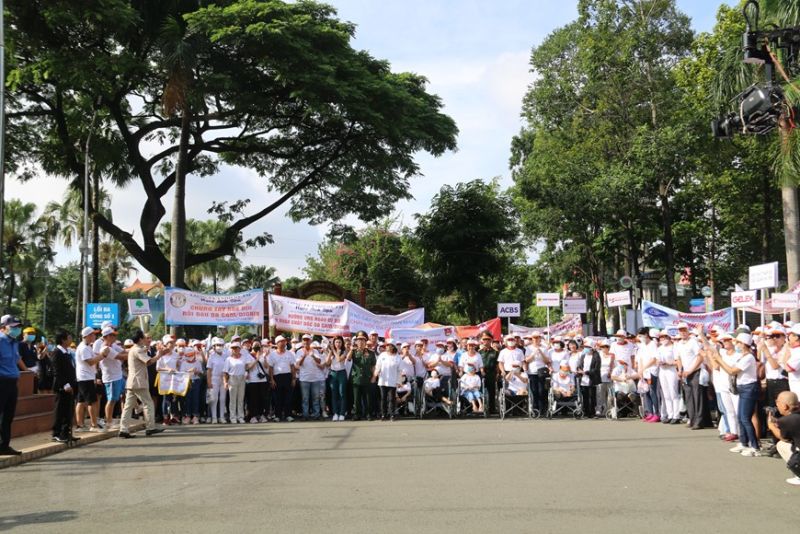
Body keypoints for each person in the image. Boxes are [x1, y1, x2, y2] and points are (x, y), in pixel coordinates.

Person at [711, 333, 761, 456]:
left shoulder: (749, 357)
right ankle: (743, 443)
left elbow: (731, 371)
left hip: (749, 388)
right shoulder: (742, 356)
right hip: (742, 388)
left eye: (738, 342)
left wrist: (719, 359)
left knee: (745, 418)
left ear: (744, 344)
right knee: (740, 417)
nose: (736, 345)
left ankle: (754, 446)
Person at [118, 330, 164, 439]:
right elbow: (148, 362)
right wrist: (159, 355)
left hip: (133, 381)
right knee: (148, 403)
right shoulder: (138, 350)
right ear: (139, 339)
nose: (145, 339)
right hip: (138, 382)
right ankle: (150, 427)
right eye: (144, 337)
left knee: (128, 407)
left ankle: (123, 429)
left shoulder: (136, 349)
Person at [0, 316, 27, 455]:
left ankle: (4, 445)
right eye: (13, 327)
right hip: (1, 381)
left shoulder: (14, 342)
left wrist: (26, 370)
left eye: (18, 327)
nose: (16, 329)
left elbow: (16, 359)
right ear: (3, 327)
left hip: (12, 382)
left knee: (8, 416)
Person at [766, 391, 800, 486]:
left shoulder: (786, 420)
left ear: (785, 406)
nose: (777, 405)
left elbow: (784, 438)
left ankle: (798, 473)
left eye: (778, 403)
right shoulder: (791, 418)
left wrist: (771, 426)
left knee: (781, 445)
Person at [675, 323, 705, 429]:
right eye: (680, 330)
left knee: (697, 396)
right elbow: (678, 358)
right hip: (685, 373)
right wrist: (679, 370)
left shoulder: (693, 342)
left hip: (695, 371)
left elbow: (700, 357)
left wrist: (691, 370)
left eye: (684, 330)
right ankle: (692, 419)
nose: (682, 332)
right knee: (688, 397)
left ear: (688, 331)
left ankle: (699, 420)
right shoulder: (678, 344)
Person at [50, 331, 79, 443]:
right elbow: (57, 372)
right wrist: (65, 384)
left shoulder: (67, 352)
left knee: (68, 410)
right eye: (69, 337)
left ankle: (66, 432)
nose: (71, 339)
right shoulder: (57, 353)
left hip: (71, 385)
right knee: (60, 409)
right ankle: (57, 433)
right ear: (63, 339)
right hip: (62, 386)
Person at [97, 327, 128, 431]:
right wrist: (134, 353)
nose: (115, 337)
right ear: (107, 336)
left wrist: (134, 349)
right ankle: (109, 422)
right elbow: (122, 357)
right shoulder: (105, 349)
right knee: (112, 400)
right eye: (113, 335)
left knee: (126, 393)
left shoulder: (113, 345)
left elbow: (124, 351)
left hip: (118, 375)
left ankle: (136, 408)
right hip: (111, 377)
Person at [75, 326, 104, 432]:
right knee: (92, 401)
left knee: (81, 401)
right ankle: (94, 425)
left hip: (86, 377)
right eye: (93, 334)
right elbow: (91, 361)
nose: (95, 336)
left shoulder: (87, 347)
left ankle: (80, 425)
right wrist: (102, 356)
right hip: (85, 378)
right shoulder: (83, 348)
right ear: (87, 336)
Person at [295, 334, 325, 421]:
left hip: (315, 378)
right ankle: (305, 415)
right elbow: (298, 364)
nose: (306, 342)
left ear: (310, 341)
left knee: (316, 398)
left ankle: (316, 414)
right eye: (304, 340)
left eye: (307, 340)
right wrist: (304, 356)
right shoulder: (299, 352)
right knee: (305, 398)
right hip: (304, 379)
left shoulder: (315, 351)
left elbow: (319, 361)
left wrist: (312, 355)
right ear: (302, 341)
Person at [223, 341, 255, 424]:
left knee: (241, 399)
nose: (234, 349)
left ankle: (240, 417)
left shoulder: (244, 357)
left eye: (236, 348)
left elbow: (247, 367)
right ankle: (233, 417)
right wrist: (225, 382)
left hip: (242, 378)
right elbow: (225, 372)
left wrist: (256, 360)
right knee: (233, 400)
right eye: (233, 348)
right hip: (232, 378)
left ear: (239, 349)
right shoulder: (228, 359)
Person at [348, 331, 376, 421]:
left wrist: (373, 377)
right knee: (356, 399)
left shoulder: (371, 353)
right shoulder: (354, 351)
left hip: (367, 378)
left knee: (367, 398)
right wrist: (351, 350)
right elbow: (348, 359)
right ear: (356, 342)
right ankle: (357, 414)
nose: (360, 342)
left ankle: (368, 414)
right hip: (356, 378)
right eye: (358, 340)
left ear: (365, 342)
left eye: (362, 340)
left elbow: (373, 366)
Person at [268, 336, 296, 422]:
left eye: (284, 341)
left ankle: (288, 415)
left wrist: (293, 379)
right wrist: (272, 379)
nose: (283, 343)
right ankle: (278, 415)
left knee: (288, 397)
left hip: (287, 376)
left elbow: (292, 367)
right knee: (277, 398)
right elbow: (270, 368)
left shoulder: (289, 353)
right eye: (281, 341)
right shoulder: (272, 354)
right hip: (277, 377)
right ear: (277, 343)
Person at [656, 330, 682, 425]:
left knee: (673, 393)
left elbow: (678, 360)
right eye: (661, 337)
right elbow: (657, 359)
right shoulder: (660, 348)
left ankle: (676, 415)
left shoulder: (674, 347)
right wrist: (659, 362)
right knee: (666, 394)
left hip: (671, 370)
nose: (662, 339)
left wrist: (669, 363)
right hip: (662, 371)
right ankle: (669, 414)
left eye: (664, 337)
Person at [373, 340, 402, 421]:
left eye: (389, 345)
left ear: (393, 346)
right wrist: (375, 374)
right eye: (387, 345)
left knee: (392, 399)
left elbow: (400, 370)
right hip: (382, 380)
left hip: (392, 381)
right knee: (383, 398)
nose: (387, 347)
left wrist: (399, 381)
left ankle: (392, 414)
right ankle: (383, 414)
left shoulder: (397, 357)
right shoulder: (382, 355)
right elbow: (378, 366)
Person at [156, 336, 181, 425]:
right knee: (166, 399)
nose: (172, 345)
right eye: (170, 343)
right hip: (164, 379)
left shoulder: (176, 354)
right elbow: (158, 368)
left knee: (174, 398)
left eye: (173, 343)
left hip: (174, 379)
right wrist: (167, 370)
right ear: (165, 344)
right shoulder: (161, 354)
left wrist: (177, 369)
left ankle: (174, 417)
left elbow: (178, 366)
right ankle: (165, 417)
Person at [526, 333, 551, 414]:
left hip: (542, 372)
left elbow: (547, 361)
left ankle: (543, 408)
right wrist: (533, 354)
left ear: (540, 338)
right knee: (534, 391)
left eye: (537, 338)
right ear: (532, 339)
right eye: (534, 338)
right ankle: (535, 408)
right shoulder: (528, 348)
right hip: (532, 372)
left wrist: (541, 352)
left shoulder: (544, 348)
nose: (536, 339)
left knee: (542, 391)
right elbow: (527, 360)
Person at [245, 341, 269, 423]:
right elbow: (248, 367)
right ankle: (252, 416)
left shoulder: (262, 355)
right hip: (252, 380)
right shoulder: (248, 355)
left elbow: (266, 367)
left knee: (262, 398)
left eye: (259, 345)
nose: (257, 347)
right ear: (252, 346)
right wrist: (257, 359)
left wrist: (264, 358)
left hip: (262, 380)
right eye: (255, 345)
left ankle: (261, 415)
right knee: (253, 399)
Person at [206, 338, 228, 424]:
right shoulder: (211, 357)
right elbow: (209, 370)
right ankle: (214, 417)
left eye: (221, 345)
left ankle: (221, 417)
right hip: (214, 379)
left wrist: (226, 380)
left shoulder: (226, 356)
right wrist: (209, 382)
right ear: (214, 347)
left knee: (222, 398)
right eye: (217, 345)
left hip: (224, 378)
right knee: (214, 399)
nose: (219, 347)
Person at [326, 336, 348, 421]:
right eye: (336, 342)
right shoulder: (331, 352)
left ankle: (342, 413)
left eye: (339, 342)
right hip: (333, 373)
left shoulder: (344, 351)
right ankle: (335, 413)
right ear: (333, 343)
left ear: (342, 343)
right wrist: (330, 353)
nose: (338, 344)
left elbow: (339, 359)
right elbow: (327, 363)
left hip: (341, 373)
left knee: (342, 393)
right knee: (334, 394)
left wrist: (334, 351)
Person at [181, 346, 204, 425]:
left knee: (195, 399)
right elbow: (181, 374)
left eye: (192, 354)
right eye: (189, 355)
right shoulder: (183, 363)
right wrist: (188, 371)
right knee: (187, 399)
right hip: (187, 382)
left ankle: (195, 416)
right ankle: (187, 416)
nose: (190, 356)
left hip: (196, 381)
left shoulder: (197, 362)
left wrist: (198, 372)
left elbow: (201, 373)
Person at [578, 339, 601, 418]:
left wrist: (587, 372)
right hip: (583, 379)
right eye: (585, 347)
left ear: (591, 348)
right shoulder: (583, 355)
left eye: (588, 347)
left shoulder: (596, 355)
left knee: (592, 396)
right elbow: (580, 365)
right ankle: (586, 412)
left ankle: (593, 412)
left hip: (592, 379)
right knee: (585, 396)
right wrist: (580, 370)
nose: (586, 348)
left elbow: (596, 368)